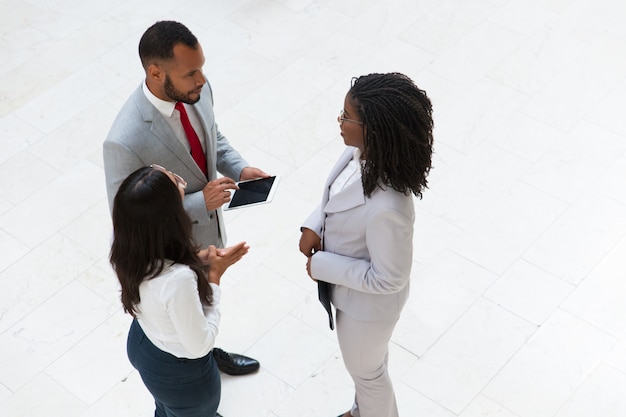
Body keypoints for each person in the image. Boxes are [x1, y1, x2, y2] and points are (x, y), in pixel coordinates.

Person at [103, 20, 265, 376]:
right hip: (168, 250)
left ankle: (206, 351)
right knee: (184, 316)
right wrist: (198, 203)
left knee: (199, 308)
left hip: (205, 236)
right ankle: (195, 372)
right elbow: (125, 214)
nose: (202, 79)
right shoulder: (123, 140)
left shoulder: (195, 90)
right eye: (192, 72)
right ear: (156, 72)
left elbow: (211, 135)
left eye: (202, 67)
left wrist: (239, 168)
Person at [299, 73, 434, 417]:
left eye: (347, 117)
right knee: (369, 370)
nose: (340, 122)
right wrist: (314, 225)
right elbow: (336, 196)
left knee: (368, 374)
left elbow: (389, 278)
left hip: (367, 310)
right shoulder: (357, 153)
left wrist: (322, 265)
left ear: (372, 129)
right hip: (354, 301)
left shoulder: (389, 207)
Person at [111, 165, 249, 417]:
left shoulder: (126, 245)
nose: (180, 180)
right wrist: (215, 276)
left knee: (165, 410)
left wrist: (199, 258)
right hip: (182, 373)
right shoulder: (179, 280)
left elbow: (156, 270)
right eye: (177, 183)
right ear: (171, 214)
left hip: (143, 343)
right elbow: (200, 345)